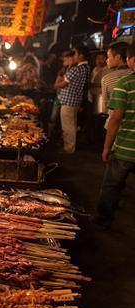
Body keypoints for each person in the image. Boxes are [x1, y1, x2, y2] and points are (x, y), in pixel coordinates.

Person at [93, 44, 135, 229]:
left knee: (111, 185)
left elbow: (115, 118)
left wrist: (106, 147)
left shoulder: (125, 83)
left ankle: (103, 220)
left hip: (126, 147)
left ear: (130, 59)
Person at [55, 46, 90, 153]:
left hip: (69, 101)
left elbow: (59, 84)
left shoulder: (77, 69)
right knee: (71, 125)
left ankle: (69, 148)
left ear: (81, 55)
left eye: (75, 54)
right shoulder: (86, 68)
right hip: (74, 101)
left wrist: (58, 82)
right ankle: (69, 147)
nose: (74, 57)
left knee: (68, 127)